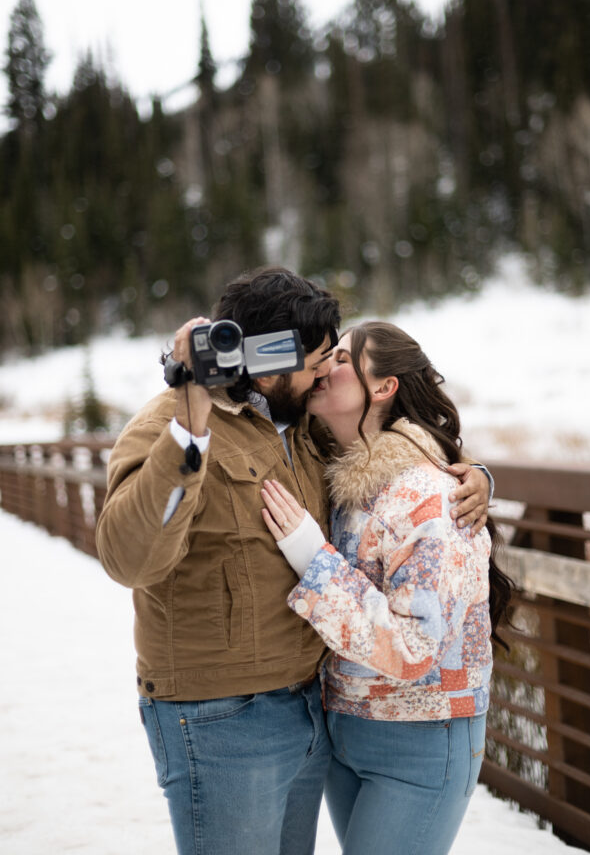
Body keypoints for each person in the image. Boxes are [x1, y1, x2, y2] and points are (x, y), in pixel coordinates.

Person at [96, 269, 492, 855]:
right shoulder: (167, 428)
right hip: (222, 718)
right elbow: (129, 558)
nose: (324, 373)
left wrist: (477, 477)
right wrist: (190, 420)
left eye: (335, 359)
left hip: (310, 710)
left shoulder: (302, 425)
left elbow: (397, 456)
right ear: (268, 360)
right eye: (316, 361)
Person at [261, 321, 513, 855]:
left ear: (383, 387)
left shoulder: (429, 496)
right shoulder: (338, 473)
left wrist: (314, 559)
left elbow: (415, 646)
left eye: (344, 360)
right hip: (346, 726)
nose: (325, 366)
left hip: (422, 737)